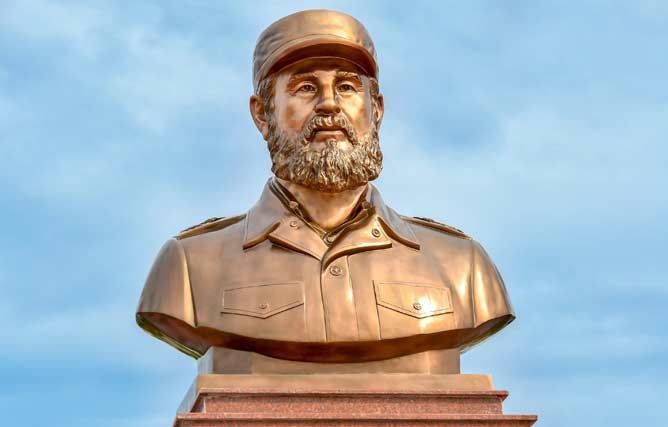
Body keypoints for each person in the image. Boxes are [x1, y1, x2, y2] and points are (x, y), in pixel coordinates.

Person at [136, 9, 513, 373]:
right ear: (262, 114)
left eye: (347, 86)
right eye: (304, 87)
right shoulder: (190, 266)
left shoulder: (462, 266)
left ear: (376, 109)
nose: (329, 103)